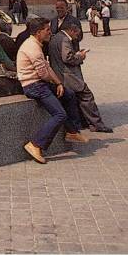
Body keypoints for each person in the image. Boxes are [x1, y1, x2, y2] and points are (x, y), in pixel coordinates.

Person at [17, 17, 87, 164]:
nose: (50, 32)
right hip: (34, 86)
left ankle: (72, 131)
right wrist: (54, 84)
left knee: (69, 95)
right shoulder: (33, 48)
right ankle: (35, 144)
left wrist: (59, 83)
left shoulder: (36, 44)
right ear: (38, 32)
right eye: (47, 30)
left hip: (40, 83)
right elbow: (43, 74)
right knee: (59, 114)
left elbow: (47, 68)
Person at [49, 22, 113, 133]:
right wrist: (80, 56)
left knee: (77, 98)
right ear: (72, 31)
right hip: (67, 76)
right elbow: (68, 58)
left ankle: (85, 122)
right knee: (86, 95)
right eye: (76, 35)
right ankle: (96, 124)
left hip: (59, 73)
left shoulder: (55, 38)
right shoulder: (64, 39)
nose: (76, 37)